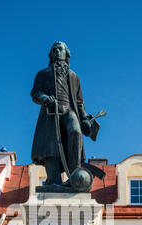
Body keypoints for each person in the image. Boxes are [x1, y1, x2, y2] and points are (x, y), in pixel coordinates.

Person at [31, 41, 97, 186]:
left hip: (68, 110)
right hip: (50, 112)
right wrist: (45, 98)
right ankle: (53, 179)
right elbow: (35, 93)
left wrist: (85, 118)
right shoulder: (43, 74)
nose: (57, 51)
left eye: (60, 49)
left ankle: (74, 175)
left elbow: (79, 102)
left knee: (75, 132)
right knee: (52, 145)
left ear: (67, 53)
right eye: (54, 49)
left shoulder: (74, 76)